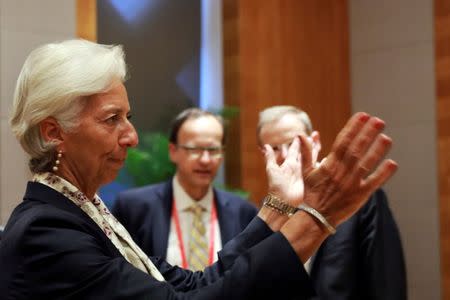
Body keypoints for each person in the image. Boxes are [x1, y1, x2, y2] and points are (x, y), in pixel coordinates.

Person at [0, 39, 397, 299]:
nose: (132, 136)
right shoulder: (46, 231)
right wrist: (315, 219)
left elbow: (194, 284)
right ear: (54, 132)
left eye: (128, 117)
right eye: (111, 120)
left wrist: (279, 207)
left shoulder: (91, 213)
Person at [257, 105, 406, 300]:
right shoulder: (268, 210)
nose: (286, 154)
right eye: (274, 148)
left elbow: (386, 280)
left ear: (314, 141)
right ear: (263, 155)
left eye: (294, 143)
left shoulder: (358, 198)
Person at [112, 108, 257, 270]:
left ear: (222, 154)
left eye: (213, 150)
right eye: (194, 149)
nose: (205, 160)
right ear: (173, 151)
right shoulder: (133, 207)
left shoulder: (243, 212)